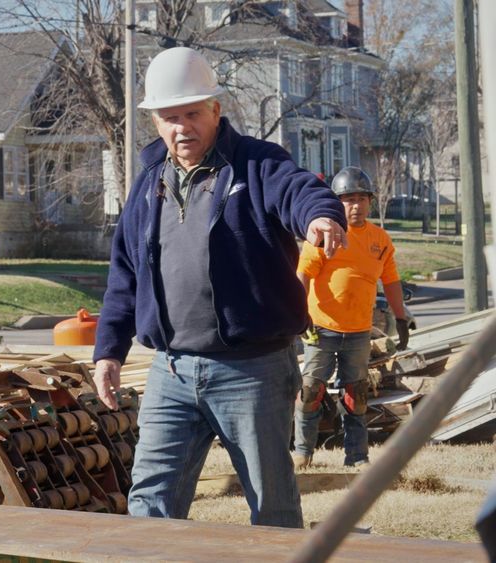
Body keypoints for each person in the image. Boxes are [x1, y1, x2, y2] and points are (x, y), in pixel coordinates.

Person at [92, 47, 347, 528]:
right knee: (150, 502)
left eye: (192, 113)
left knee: (271, 505)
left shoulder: (257, 164)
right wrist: (109, 350)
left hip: (252, 372)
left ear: (216, 110)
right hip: (171, 371)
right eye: (170, 117)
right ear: (155, 121)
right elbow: (125, 274)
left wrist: (321, 216)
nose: (182, 127)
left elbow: (299, 191)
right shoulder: (149, 180)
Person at [292, 167, 409, 469]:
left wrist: (400, 317)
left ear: (370, 201)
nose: (355, 206)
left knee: (355, 396)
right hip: (321, 329)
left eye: (360, 199)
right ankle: (303, 453)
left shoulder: (380, 239)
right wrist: (298, 316)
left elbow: (392, 281)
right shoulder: (324, 235)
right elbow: (302, 277)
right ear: (337, 202)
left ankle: (356, 457)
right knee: (310, 393)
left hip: (358, 332)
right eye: (347, 200)